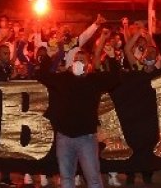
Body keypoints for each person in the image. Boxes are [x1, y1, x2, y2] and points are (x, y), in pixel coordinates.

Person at [44, 45, 120, 188]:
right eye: (76, 60)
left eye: (82, 60)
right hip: (64, 137)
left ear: (88, 64)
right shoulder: (64, 79)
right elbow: (44, 76)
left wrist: (111, 57)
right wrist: (48, 57)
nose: (78, 62)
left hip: (87, 138)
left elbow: (115, 79)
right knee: (66, 178)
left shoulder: (94, 80)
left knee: (93, 178)